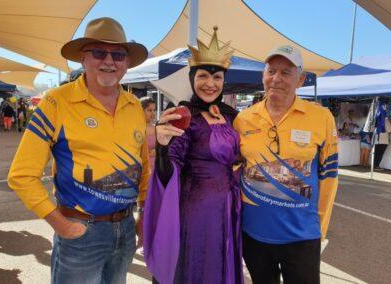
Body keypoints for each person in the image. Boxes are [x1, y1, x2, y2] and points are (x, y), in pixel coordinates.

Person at [8, 17, 150, 284]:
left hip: (126, 229)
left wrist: (144, 213)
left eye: (118, 55)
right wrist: (60, 224)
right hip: (80, 231)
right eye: (99, 52)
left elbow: (143, 166)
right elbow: (21, 175)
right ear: (83, 58)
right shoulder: (55, 102)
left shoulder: (135, 106)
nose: (109, 61)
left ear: (126, 63)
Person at [143, 27, 243, 284]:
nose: (210, 84)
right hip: (195, 209)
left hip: (228, 206)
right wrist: (163, 148)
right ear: (191, 78)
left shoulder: (232, 116)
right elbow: (170, 168)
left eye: (217, 77)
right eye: (203, 76)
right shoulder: (183, 115)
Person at [234, 45, 338, 284]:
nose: (276, 79)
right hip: (254, 235)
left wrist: (320, 227)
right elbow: (234, 168)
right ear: (263, 76)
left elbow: (330, 177)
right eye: (271, 71)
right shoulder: (243, 119)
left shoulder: (321, 118)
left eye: (285, 72)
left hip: (302, 237)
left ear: (300, 79)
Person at [140, 97, 157, 172]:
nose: (153, 113)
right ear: (140, 110)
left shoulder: (156, 128)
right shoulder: (134, 128)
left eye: (154, 110)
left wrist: (158, 151)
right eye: (149, 110)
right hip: (141, 170)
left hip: (155, 170)